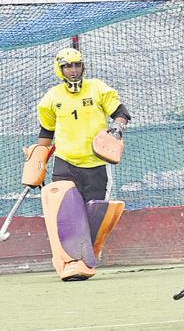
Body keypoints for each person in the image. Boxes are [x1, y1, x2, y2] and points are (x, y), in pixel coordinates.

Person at [34, 47, 130, 281]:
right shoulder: (51, 98)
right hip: (65, 162)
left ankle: (85, 259)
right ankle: (68, 262)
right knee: (64, 214)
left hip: (96, 164)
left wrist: (117, 128)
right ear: (60, 69)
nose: (73, 70)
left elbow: (120, 112)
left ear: (83, 67)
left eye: (77, 65)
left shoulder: (98, 88)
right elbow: (46, 132)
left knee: (92, 214)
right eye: (68, 66)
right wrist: (37, 157)